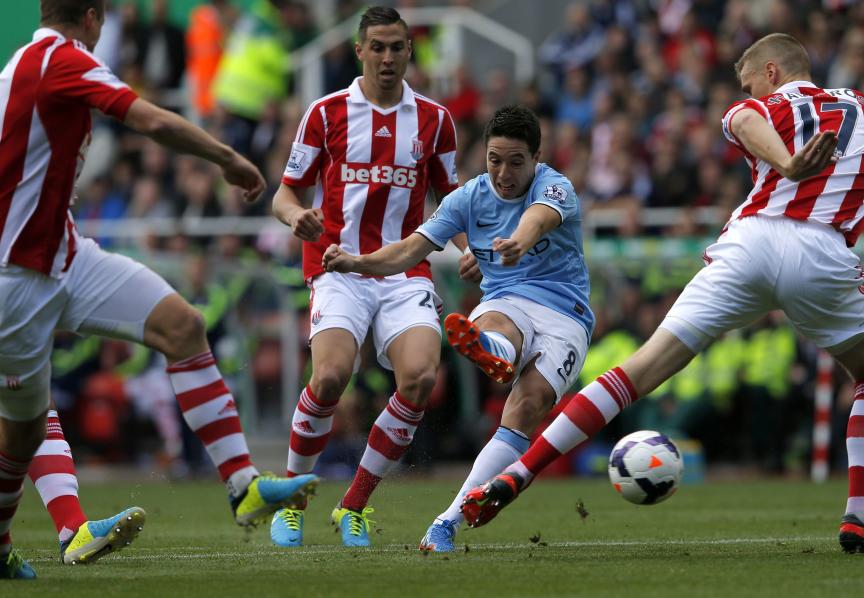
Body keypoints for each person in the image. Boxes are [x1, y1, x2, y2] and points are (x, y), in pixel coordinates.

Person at [460, 33, 864, 557]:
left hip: (751, 241)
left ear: (770, 73)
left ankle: (520, 472)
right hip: (824, 253)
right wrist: (839, 170)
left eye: (747, 80)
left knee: (639, 370)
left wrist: (786, 165)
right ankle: (859, 515)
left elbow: (744, 120)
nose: (745, 90)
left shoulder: (760, 105)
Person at [0, 0, 319, 580]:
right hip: (16, 275)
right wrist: (226, 157)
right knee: (22, 424)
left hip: (64, 255)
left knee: (183, 326)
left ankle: (243, 486)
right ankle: (19, 542)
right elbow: (150, 119)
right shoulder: (60, 58)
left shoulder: (26, 63)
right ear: (94, 18)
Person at [324, 105, 593, 553]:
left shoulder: (555, 186)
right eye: (494, 160)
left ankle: (448, 516)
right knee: (495, 321)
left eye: (515, 162)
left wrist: (518, 242)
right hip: (507, 300)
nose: (503, 173)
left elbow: (538, 220)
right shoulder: (467, 199)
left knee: (528, 407)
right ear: (484, 155)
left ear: (536, 158)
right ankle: (494, 351)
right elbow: (409, 250)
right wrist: (357, 262)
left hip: (566, 312)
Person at [270, 6, 467, 549]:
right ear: (358, 51)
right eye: (376, 46)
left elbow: (451, 201)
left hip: (405, 271)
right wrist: (296, 217)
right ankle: (291, 500)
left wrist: (469, 248)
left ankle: (351, 507)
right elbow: (285, 193)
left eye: (397, 47)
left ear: (409, 51)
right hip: (337, 267)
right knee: (331, 376)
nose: (386, 57)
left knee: (421, 379)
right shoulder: (326, 112)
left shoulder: (434, 120)